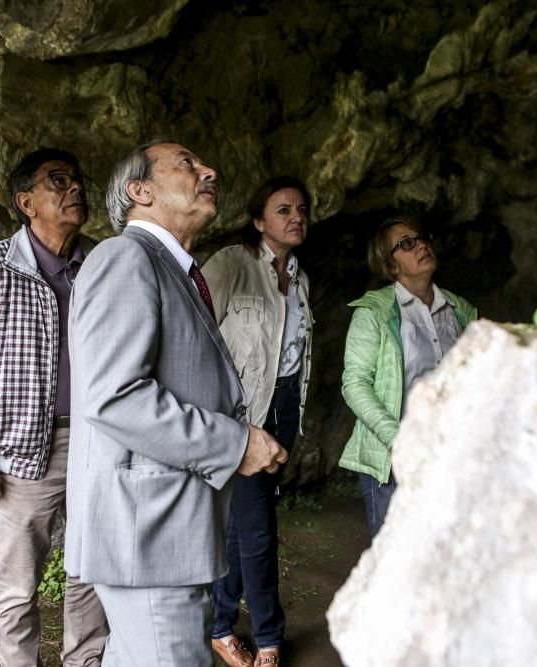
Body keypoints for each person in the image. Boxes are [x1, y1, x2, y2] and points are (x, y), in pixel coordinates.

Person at [64, 139, 289, 666]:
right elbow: (114, 397)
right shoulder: (124, 257)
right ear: (139, 191)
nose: (208, 169)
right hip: (148, 537)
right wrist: (235, 443)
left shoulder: (174, 269)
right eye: (186, 163)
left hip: (163, 532)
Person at [0, 148, 108, 666]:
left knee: (90, 568)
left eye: (78, 179)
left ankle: (85, 661)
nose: (75, 188)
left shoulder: (100, 264)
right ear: (25, 201)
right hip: (20, 450)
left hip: (98, 441)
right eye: (58, 181)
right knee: (16, 584)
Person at [202, 177, 314, 667]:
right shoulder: (231, 264)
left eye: (301, 210)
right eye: (283, 209)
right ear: (258, 220)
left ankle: (218, 621)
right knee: (259, 527)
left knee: (243, 525)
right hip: (245, 414)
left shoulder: (302, 278)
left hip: (285, 407)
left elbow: (295, 356)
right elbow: (197, 335)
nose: (296, 217)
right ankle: (269, 636)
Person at [339, 214, 478, 540]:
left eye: (421, 237)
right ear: (391, 266)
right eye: (406, 244)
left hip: (449, 453)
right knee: (395, 565)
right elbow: (355, 383)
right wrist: (397, 439)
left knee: (445, 554)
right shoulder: (373, 312)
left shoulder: (461, 311)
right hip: (395, 459)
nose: (421, 246)